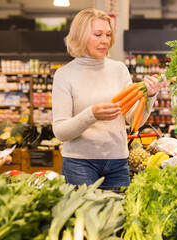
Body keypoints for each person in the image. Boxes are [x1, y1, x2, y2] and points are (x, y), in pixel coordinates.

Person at [52, 8, 167, 187]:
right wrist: (91, 114)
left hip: (118, 162)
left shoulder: (119, 69)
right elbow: (60, 131)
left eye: (107, 34)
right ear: (80, 36)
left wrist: (150, 96)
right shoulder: (64, 74)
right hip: (79, 163)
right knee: (87, 215)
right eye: (97, 34)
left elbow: (132, 120)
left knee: (120, 214)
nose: (104, 40)